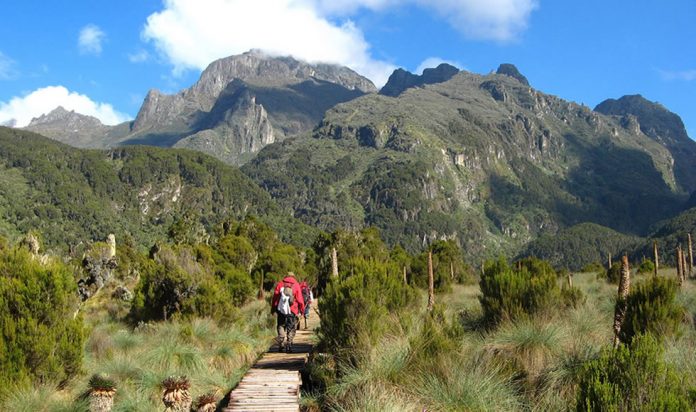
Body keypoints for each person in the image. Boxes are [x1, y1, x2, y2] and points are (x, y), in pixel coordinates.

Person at [271, 272, 305, 353]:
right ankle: (289, 344)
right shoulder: (296, 285)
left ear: (286, 276)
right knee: (291, 327)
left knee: (281, 325)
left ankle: (281, 342)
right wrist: (302, 310)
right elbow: (300, 299)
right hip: (292, 310)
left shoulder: (280, 284)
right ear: (293, 276)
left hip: (281, 310)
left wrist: (273, 308)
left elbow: (275, 297)